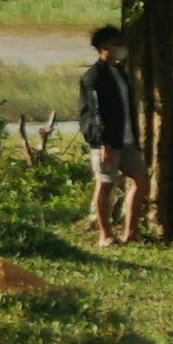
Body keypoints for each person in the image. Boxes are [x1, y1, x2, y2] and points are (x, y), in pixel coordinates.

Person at [73, 26, 141, 243]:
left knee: (142, 180)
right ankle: (106, 234)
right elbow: (95, 111)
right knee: (105, 184)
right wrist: (103, 143)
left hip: (127, 139)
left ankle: (130, 232)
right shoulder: (93, 76)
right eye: (115, 44)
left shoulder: (120, 71)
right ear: (103, 48)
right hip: (107, 142)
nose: (120, 48)